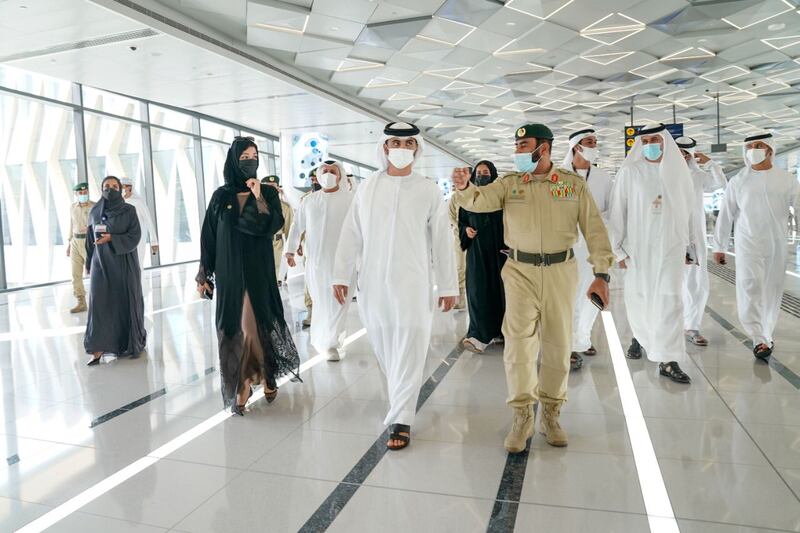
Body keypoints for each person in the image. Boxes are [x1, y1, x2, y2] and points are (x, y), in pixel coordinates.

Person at [451, 123, 613, 453]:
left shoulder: (570, 186)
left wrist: (602, 273)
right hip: (520, 271)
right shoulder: (509, 184)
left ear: (545, 148)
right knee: (518, 346)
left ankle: (551, 414)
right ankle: (522, 415)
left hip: (561, 272)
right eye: (517, 145)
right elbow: (480, 202)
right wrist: (465, 188)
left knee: (557, 344)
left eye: (524, 145)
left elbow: (594, 228)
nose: (519, 151)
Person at [332, 122, 458, 451]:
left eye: (408, 143)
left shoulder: (428, 189)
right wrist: (340, 276)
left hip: (414, 283)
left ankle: (402, 417)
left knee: (411, 341)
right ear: (385, 148)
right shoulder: (368, 187)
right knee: (385, 345)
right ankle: (400, 398)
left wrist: (448, 285)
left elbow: (443, 240)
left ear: (417, 149)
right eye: (395, 142)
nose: (401, 148)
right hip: (373, 284)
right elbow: (351, 234)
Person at [197, 137, 300, 415]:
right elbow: (209, 236)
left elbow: (272, 225)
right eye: (244, 156)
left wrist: (258, 196)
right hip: (229, 273)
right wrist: (203, 273)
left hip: (258, 270)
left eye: (254, 155)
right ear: (233, 160)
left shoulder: (265, 192)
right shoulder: (220, 196)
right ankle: (243, 383)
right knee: (235, 328)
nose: (250, 161)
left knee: (256, 325)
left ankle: (264, 375)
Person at [608, 123, 696, 385]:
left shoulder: (678, 173)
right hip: (638, 249)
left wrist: (689, 247)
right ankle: (642, 338)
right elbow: (617, 212)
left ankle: (668, 359)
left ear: (666, 142)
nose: (649, 144)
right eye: (644, 140)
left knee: (670, 300)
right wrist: (618, 250)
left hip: (671, 248)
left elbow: (689, 211)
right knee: (640, 299)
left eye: (654, 139)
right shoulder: (630, 171)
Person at [713, 132, 800, 360]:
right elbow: (726, 214)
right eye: (749, 145)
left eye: (758, 145)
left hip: (776, 245)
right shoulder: (739, 180)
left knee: (771, 291)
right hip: (747, 243)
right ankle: (758, 337)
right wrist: (719, 246)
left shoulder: (787, 179)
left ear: (770, 149)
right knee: (749, 287)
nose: (753, 149)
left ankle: (766, 334)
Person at [286, 159, 355, 361]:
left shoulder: (351, 200)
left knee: (339, 303)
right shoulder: (309, 201)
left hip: (344, 263)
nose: (329, 174)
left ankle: (332, 341)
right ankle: (325, 340)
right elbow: (297, 226)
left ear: (340, 176)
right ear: (318, 174)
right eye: (325, 170)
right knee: (321, 302)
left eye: (333, 171)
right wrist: (290, 251)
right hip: (316, 262)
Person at [562, 129, 614, 370]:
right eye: (589, 142)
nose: (594, 145)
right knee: (568, 296)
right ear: (576, 147)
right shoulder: (560, 176)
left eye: (595, 142)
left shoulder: (603, 178)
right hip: (567, 248)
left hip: (593, 247)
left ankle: (582, 339)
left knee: (591, 296)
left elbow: (612, 212)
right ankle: (569, 345)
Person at [84, 176, 146, 365]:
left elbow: (135, 235)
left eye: (114, 186)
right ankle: (98, 347)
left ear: (120, 189)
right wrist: (88, 263)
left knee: (123, 302)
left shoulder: (129, 210)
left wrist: (112, 238)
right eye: (106, 186)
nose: (109, 189)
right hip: (100, 264)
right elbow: (89, 238)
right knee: (99, 304)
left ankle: (125, 343)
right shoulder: (94, 211)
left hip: (123, 262)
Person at [675, 137, 727, 347]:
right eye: (678, 152)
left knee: (695, 282)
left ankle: (692, 327)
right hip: (669, 237)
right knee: (667, 283)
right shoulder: (660, 174)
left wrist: (710, 163)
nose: (682, 157)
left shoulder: (697, 175)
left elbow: (720, 184)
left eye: (686, 154)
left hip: (693, 239)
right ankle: (667, 326)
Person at [458, 161, 507, 353]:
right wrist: (465, 230)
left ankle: (503, 332)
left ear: (493, 175)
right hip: (477, 251)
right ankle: (479, 334)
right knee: (478, 291)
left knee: (502, 292)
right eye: (478, 172)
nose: (482, 175)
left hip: (501, 252)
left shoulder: (501, 196)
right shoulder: (468, 198)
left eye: (486, 172)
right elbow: (461, 221)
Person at [67, 182, 95, 313]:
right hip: (74, 242)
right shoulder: (73, 207)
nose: (83, 194)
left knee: (94, 272)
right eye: (81, 193)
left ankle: (99, 300)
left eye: (85, 192)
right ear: (76, 194)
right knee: (75, 274)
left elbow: (100, 223)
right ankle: (81, 302)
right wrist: (68, 243)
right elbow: (71, 225)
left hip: (88, 241)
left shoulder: (94, 206)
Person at [261, 175, 293, 286]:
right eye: (267, 186)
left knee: (273, 275)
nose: (270, 189)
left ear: (278, 189)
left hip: (276, 244)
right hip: (257, 244)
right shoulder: (253, 205)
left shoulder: (285, 208)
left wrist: (291, 250)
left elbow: (290, 229)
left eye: (273, 187)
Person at [121, 177, 159, 268]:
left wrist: (154, 242)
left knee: (138, 264)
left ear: (129, 187)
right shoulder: (120, 203)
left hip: (139, 237)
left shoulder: (138, 202)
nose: (121, 190)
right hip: (124, 238)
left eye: (122, 187)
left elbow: (148, 220)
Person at [448, 193, 467, 310]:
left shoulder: (478, 193)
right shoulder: (455, 197)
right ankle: (460, 300)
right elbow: (451, 216)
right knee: (460, 267)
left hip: (476, 238)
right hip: (460, 237)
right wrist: (462, 228)